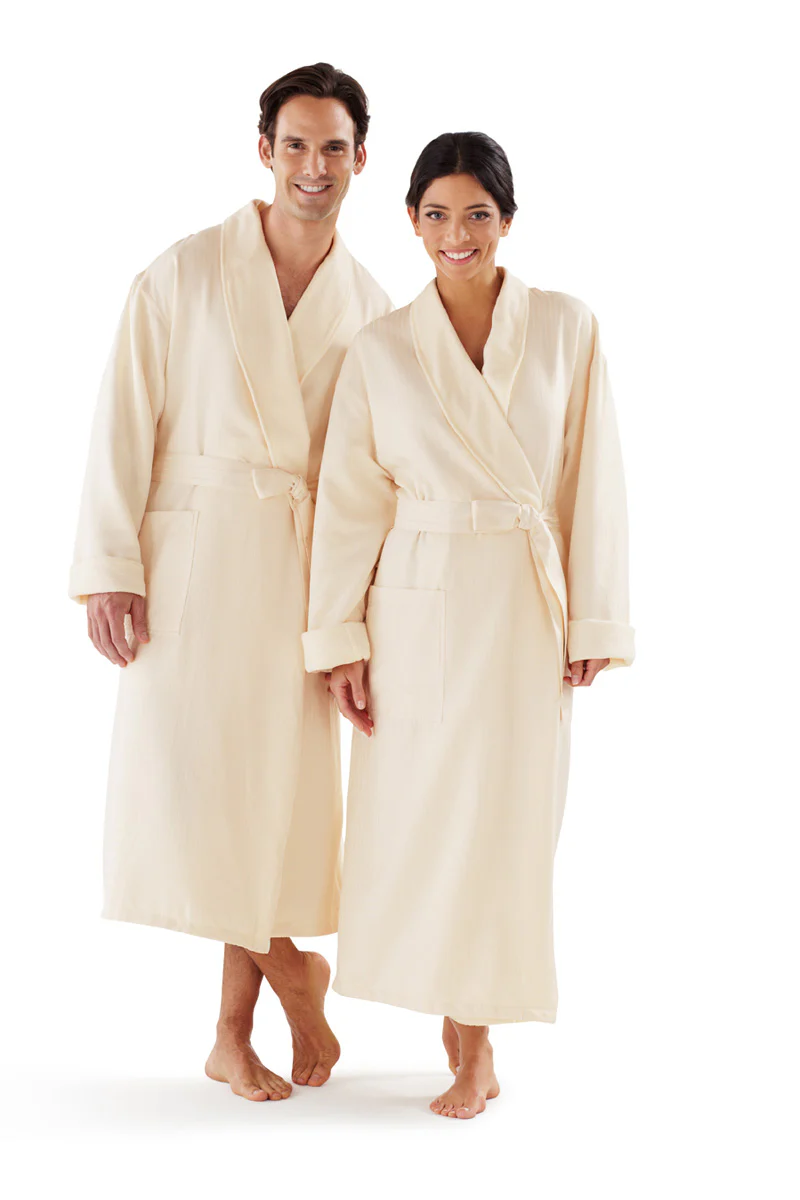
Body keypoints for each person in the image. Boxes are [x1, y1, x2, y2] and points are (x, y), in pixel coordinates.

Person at [69, 63, 392, 1102]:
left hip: (299, 577)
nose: (313, 166)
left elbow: (369, 478)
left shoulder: (370, 307)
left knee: (264, 804)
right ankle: (293, 970)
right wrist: (110, 566)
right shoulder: (184, 272)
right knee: (192, 788)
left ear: (360, 158)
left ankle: (229, 1035)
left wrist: (354, 621)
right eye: (295, 144)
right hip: (193, 565)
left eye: (333, 147)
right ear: (264, 151)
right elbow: (123, 417)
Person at [303, 131, 635, 1119]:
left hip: (522, 607)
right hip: (415, 608)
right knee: (420, 821)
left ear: (507, 221)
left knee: (505, 825)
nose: (458, 234)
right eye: (438, 214)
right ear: (411, 221)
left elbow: (591, 478)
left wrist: (594, 617)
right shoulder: (380, 348)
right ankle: (457, 1026)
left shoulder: (567, 327)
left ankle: (477, 1044)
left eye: (477, 214)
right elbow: (349, 502)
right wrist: (339, 637)